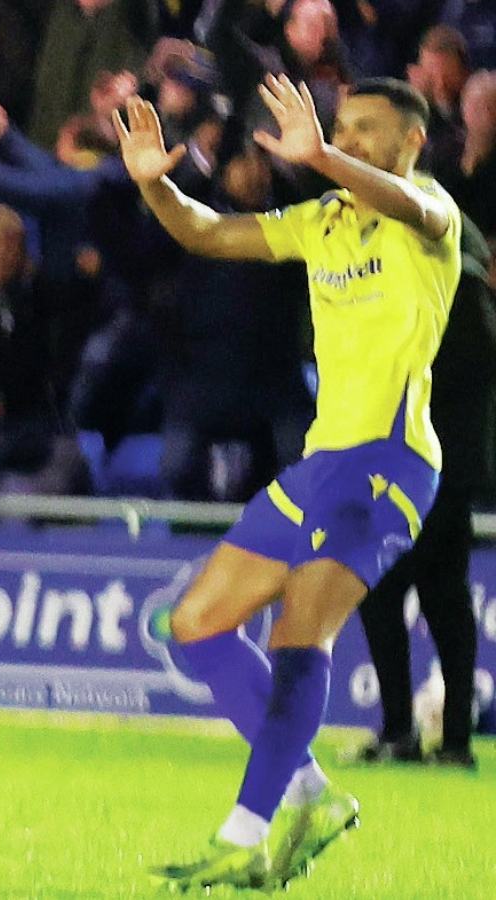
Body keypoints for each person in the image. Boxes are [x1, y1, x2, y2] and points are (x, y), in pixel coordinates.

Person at [114, 74, 460, 891]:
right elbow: (206, 232)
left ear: (413, 142)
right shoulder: (323, 222)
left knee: (300, 638)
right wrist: (154, 184)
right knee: (196, 624)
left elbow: (420, 209)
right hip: (320, 462)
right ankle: (309, 791)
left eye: (370, 130)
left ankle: (245, 832)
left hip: (389, 461)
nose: (351, 139)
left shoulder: (431, 216)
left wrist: (327, 155)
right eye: (345, 127)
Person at [355, 215, 494, 771]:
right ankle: (438, 739)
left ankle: (415, 735)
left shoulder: (454, 288)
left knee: (408, 593)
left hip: (436, 466)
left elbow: (467, 366)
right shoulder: (447, 285)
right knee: (435, 597)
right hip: (421, 463)